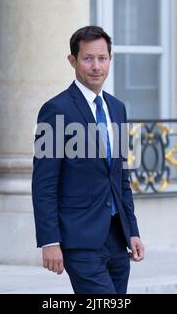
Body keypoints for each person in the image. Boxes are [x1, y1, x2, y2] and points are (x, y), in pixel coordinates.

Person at [32, 26, 144, 294]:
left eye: (102, 58)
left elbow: (121, 177)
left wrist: (133, 231)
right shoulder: (55, 110)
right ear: (72, 61)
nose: (96, 66)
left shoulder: (117, 108)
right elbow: (44, 183)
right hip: (79, 239)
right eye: (88, 58)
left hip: (117, 240)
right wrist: (50, 240)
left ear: (110, 60)